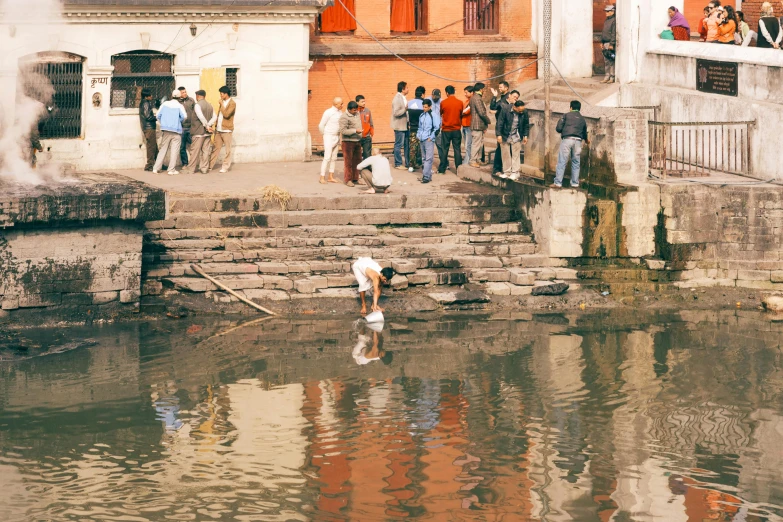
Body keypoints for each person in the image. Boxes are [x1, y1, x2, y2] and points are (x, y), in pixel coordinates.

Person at [553, 100, 588, 189]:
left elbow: (558, 128)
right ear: (579, 108)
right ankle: (575, 183)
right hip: (578, 142)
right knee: (576, 162)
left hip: (567, 140)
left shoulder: (565, 115)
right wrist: (587, 140)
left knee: (562, 161)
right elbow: (584, 133)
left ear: (571, 107)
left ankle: (558, 183)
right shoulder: (582, 119)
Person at [152, 89, 187, 175]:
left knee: (163, 149)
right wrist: (179, 122)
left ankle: (156, 168)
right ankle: (171, 169)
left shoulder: (165, 104)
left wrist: (163, 123)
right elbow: (184, 117)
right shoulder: (180, 106)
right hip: (176, 130)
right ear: (179, 97)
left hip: (166, 130)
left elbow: (158, 115)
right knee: (174, 150)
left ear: (171, 96)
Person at [183, 89, 216, 175]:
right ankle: (204, 169)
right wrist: (209, 125)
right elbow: (214, 117)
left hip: (198, 132)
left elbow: (201, 117)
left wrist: (206, 126)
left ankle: (191, 169)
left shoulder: (197, 105)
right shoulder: (210, 105)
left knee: (194, 151)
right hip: (207, 133)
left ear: (198, 96)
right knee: (205, 151)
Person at [497, 97, 528, 181]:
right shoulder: (505, 109)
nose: (521, 112)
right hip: (505, 134)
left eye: (522, 110)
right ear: (514, 107)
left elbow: (526, 124)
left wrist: (525, 135)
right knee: (505, 154)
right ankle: (507, 172)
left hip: (517, 135)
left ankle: (515, 172)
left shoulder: (524, 112)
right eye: (519, 110)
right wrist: (498, 134)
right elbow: (500, 122)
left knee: (516, 154)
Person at [209, 85, 236, 174]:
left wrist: (221, 105)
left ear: (226, 94)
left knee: (228, 150)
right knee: (215, 148)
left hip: (227, 130)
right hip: (219, 129)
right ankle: (209, 166)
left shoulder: (232, 103)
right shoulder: (222, 102)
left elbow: (226, 114)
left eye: (221, 94)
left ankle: (225, 167)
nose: (220, 96)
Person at [438, 85, 463, 174]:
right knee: (457, 149)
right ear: (454, 92)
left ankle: (442, 169)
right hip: (456, 129)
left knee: (445, 149)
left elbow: (440, 113)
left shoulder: (443, 103)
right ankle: (459, 169)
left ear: (447, 93)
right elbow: (461, 114)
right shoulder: (460, 102)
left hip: (446, 129)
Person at [318, 97, 343, 184]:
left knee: (334, 157)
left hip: (336, 136)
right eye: (341, 104)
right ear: (336, 104)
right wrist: (324, 134)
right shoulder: (328, 112)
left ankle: (330, 176)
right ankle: (322, 177)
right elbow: (321, 125)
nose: (342, 105)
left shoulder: (340, 113)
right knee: (327, 157)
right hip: (328, 136)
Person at [339, 100, 363, 187]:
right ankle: (348, 179)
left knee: (357, 161)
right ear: (349, 109)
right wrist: (355, 131)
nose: (355, 111)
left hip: (357, 141)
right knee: (348, 162)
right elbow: (343, 130)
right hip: (348, 142)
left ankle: (356, 178)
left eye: (356, 109)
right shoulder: (344, 117)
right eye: (353, 110)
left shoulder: (357, 114)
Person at [489, 81, 510, 175]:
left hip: (506, 127)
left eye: (501, 87)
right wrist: (494, 96)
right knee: (500, 147)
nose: (500, 89)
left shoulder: (508, 98)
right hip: (501, 125)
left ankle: (499, 168)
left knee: (503, 147)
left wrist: (496, 112)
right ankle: (498, 168)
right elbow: (493, 106)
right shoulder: (502, 98)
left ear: (506, 88)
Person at [468, 82, 491, 168]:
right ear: (481, 89)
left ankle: (478, 160)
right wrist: (488, 120)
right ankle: (473, 160)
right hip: (477, 125)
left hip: (479, 125)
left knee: (479, 144)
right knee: (476, 144)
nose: (484, 91)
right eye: (483, 89)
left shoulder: (475, 97)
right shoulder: (477, 98)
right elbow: (481, 112)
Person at [417, 99, 437, 184]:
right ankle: (428, 176)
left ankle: (425, 176)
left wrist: (431, 137)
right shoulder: (422, 115)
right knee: (424, 158)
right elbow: (420, 127)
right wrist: (418, 135)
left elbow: (437, 128)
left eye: (426, 107)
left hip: (428, 139)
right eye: (423, 106)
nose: (424, 108)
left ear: (430, 107)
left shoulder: (434, 115)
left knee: (428, 158)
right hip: (422, 139)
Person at [391, 81, 409, 170]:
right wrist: (405, 109)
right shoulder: (397, 99)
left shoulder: (403, 97)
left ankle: (407, 162)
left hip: (405, 125)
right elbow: (396, 113)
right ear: (403, 89)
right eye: (407, 88)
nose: (408, 89)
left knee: (406, 144)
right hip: (399, 126)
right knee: (398, 144)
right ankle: (398, 163)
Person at [407, 86, 426, 170]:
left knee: (413, 148)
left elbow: (407, 117)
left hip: (412, 129)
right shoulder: (424, 104)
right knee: (423, 148)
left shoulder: (409, 103)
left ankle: (411, 165)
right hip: (422, 130)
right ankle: (423, 164)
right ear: (422, 94)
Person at [139, 88, 157, 172]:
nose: (151, 96)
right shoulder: (146, 103)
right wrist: (155, 118)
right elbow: (148, 116)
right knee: (151, 147)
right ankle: (149, 165)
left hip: (147, 127)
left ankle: (158, 163)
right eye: (150, 95)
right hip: (149, 128)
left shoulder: (144, 103)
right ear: (146, 96)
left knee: (154, 147)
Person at [177, 86, 195, 168]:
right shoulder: (177, 102)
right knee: (182, 147)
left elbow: (195, 112)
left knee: (194, 145)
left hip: (191, 127)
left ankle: (193, 163)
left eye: (185, 92)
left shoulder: (191, 100)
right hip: (182, 127)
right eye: (182, 92)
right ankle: (185, 163)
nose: (185, 94)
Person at [601, 5, 617, 84]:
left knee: (611, 61)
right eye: (606, 11)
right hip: (605, 43)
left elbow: (614, 33)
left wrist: (612, 44)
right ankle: (606, 76)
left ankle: (612, 77)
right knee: (606, 61)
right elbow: (604, 32)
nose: (606, 13)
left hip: (610, 43)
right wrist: (602, 42)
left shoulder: (614, 21)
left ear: (612, 11)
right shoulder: (606, 20)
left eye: (608, 11)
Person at [356, 95, 374, 160]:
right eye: (362, 102)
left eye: (364, 101)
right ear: (357, 102)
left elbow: (371, 123)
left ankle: (368, 167)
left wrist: (371, 134)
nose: (364, 103)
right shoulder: (354, 111)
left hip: (367, 136)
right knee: (357, 154)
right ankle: (357, 168)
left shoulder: (367, 111)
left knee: (367, 154)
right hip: (357, 136)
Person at [430, 88, 443, 169]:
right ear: (432, 95)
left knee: (440, 146)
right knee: (428, 146)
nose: (437, 98)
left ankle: (444, 162)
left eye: (438, 97)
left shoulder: (442, 101)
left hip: (438, 127)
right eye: (435, 97)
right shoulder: (427, 100)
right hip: (429, 127)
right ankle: (427, 164)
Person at [461, 86, 474, 163]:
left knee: (468, 145)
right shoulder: (466, 101)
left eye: (466, 92)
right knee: (466, 144)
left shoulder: (472, 101)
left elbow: (465, 111)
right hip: (464, 124)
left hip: (469, 125)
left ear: (471, 92)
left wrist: (461, 113)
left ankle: (467, 161)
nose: (465, 94)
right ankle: (467, 159)